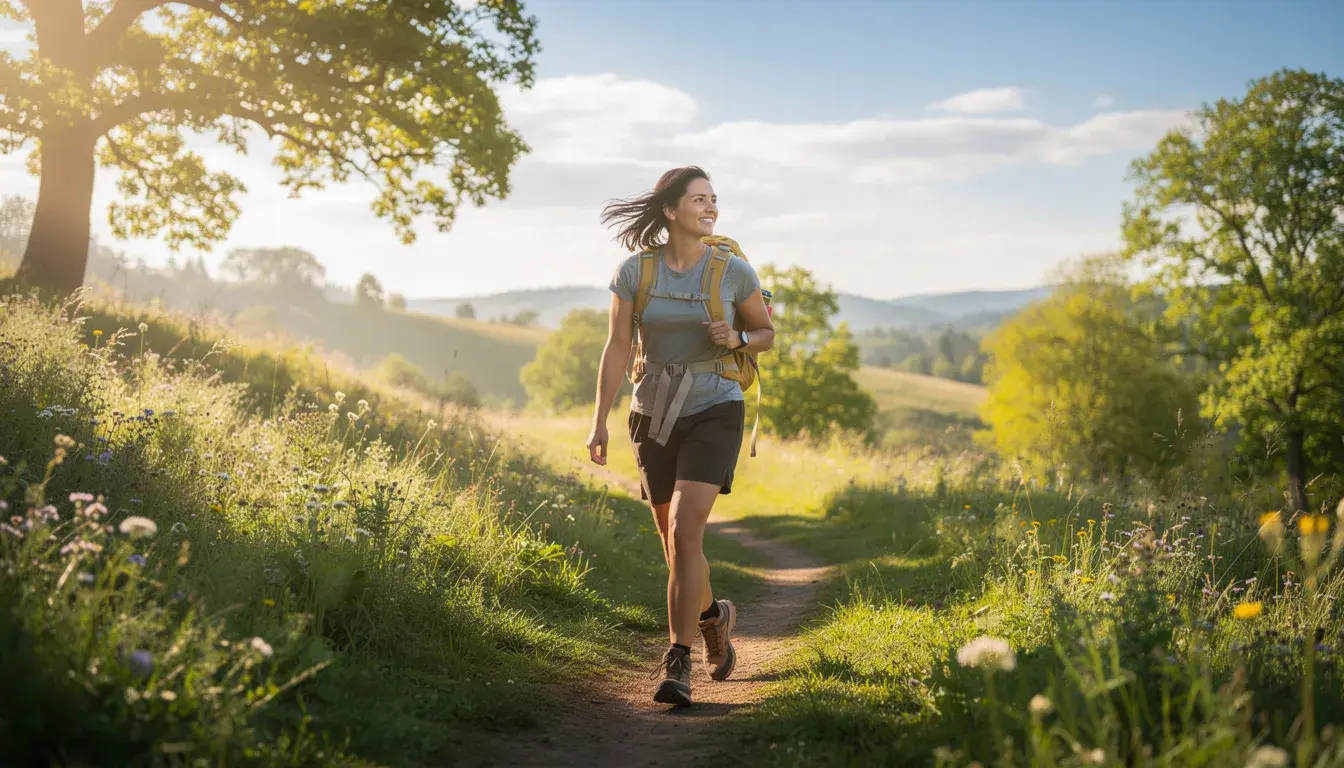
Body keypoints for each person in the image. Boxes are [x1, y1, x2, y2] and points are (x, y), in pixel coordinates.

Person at [586, 166, 774, 706]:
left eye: (714, 199)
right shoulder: (635, 273)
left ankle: (678, 661)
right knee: (673, 542)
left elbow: (765, 333)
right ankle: (714, 616)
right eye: (698, 200)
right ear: (670, 211)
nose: (710, 207)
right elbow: (617, 347)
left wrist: (736, 335)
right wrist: (599, 419)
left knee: (686, 529)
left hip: (716, 406)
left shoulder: (733, 271)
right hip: (652, 413)